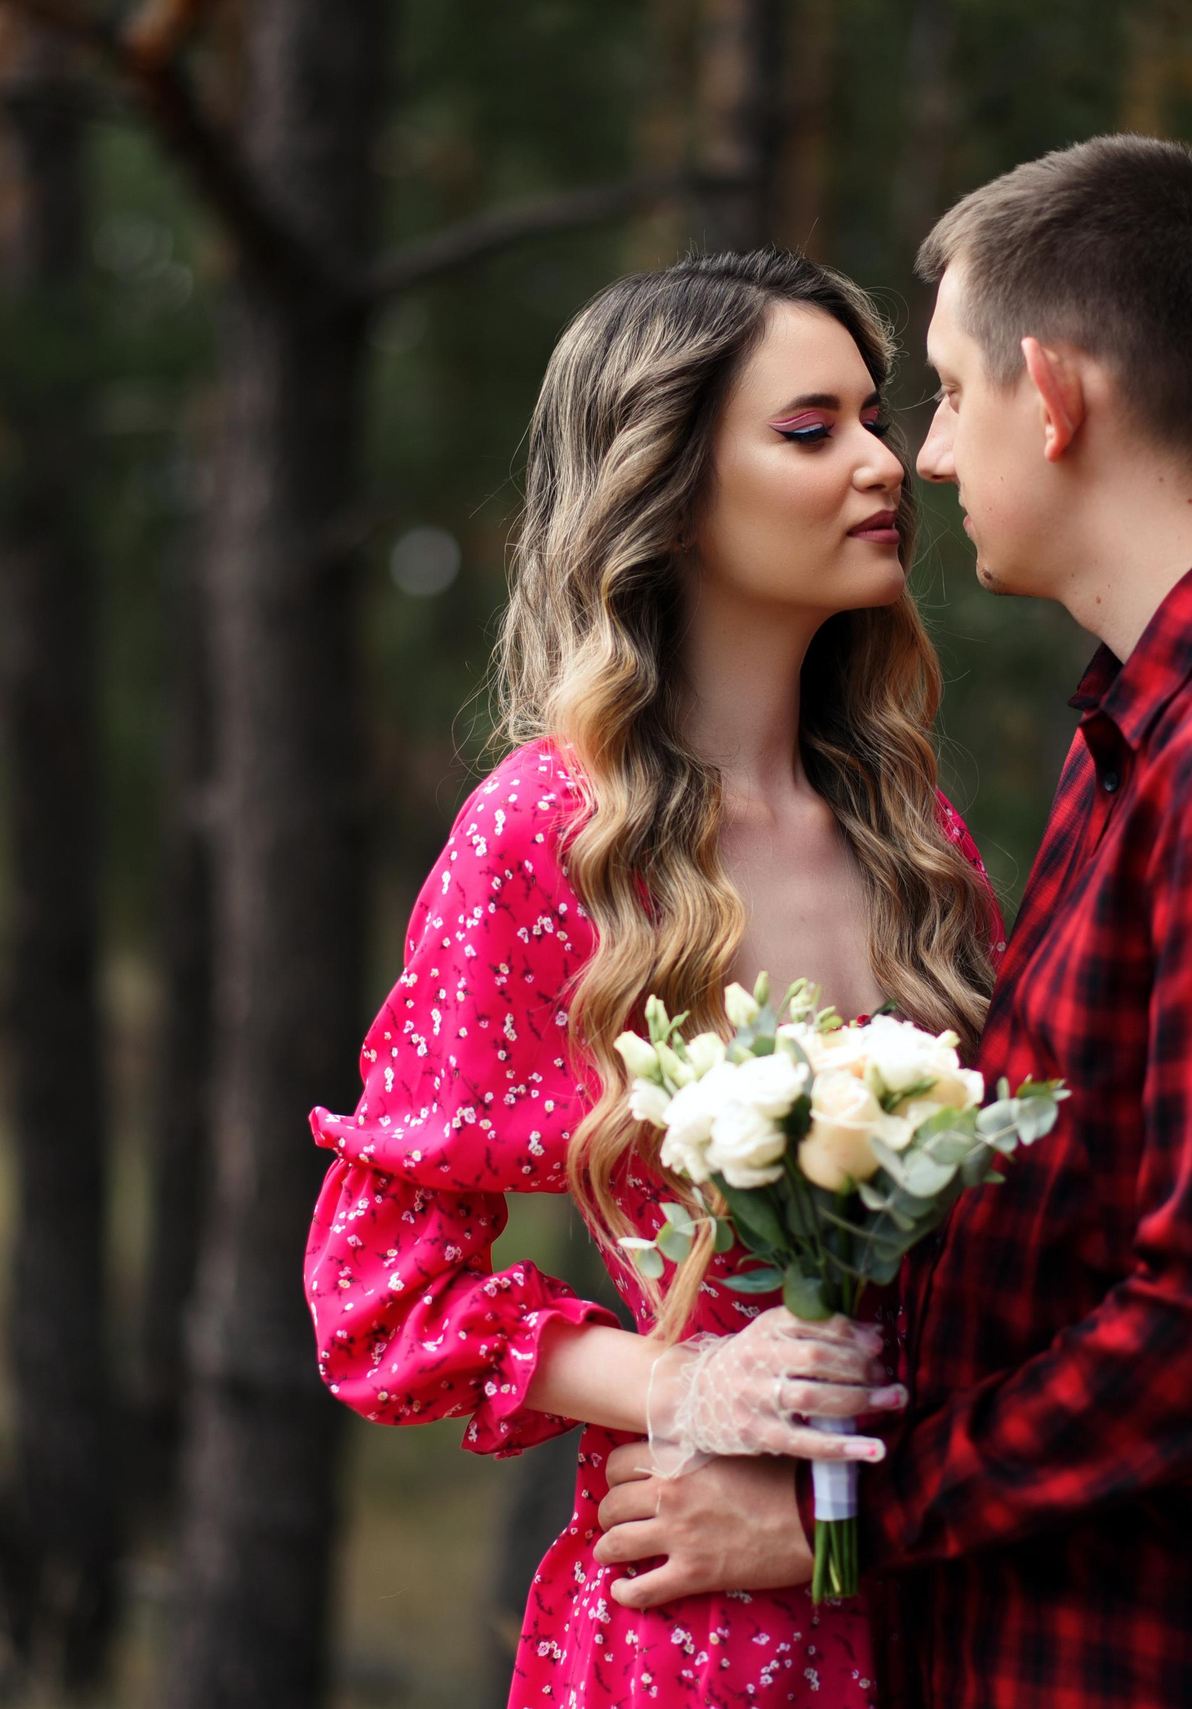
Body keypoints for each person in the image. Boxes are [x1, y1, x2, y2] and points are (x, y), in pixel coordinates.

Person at [594, 137, 1192, 1709]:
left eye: (947, 394)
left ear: (1056, 397)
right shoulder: (1156, 728)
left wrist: (845, 1524)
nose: (929, 457)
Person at [302, 248, 1005, 1709]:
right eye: (811, 429)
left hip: (939, 1601)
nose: (886, 463)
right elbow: (378, 1287)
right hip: (698, 1627)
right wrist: (681, 1382)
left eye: (877, 419)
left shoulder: (920, 836)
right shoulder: (546, 836)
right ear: (672, 493)